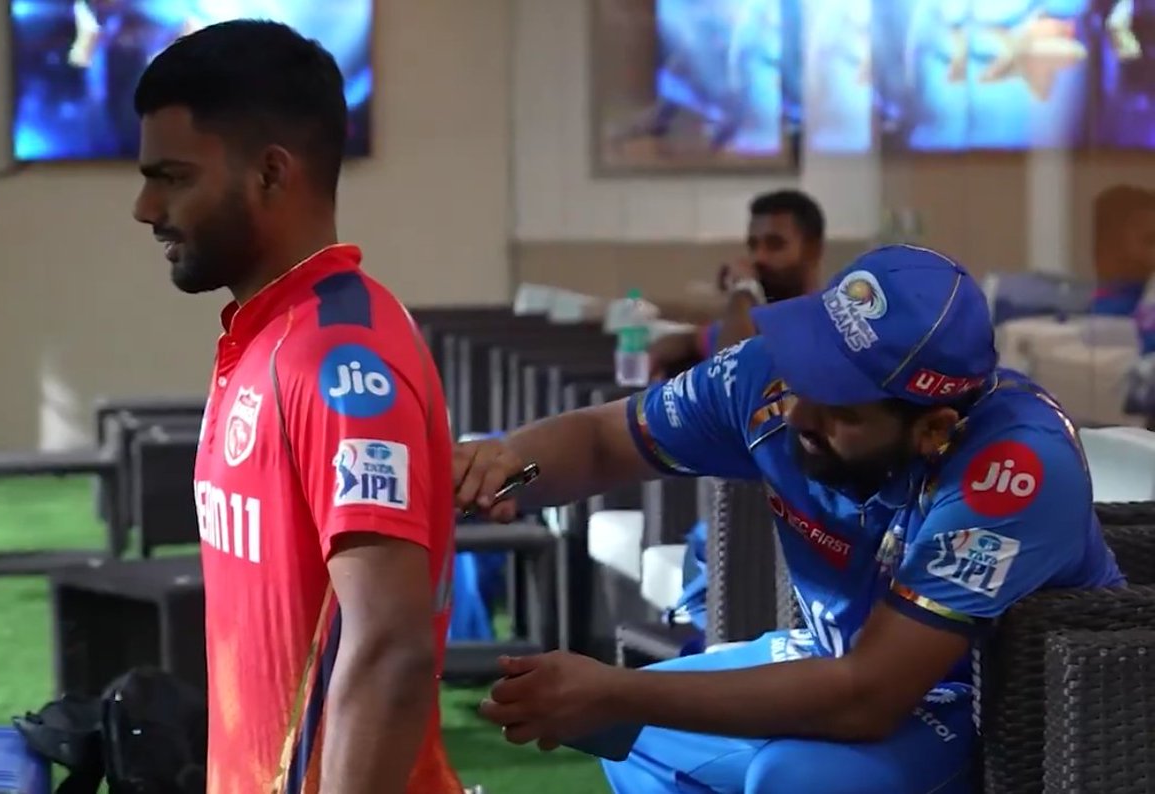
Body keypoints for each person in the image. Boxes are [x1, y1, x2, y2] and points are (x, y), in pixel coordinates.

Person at [455, 245, 1124, 793]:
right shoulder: (772, 382)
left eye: (841, 406)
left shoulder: (1014, 470)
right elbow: (605, 440)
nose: (798, 413)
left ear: (933, 429)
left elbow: (868, 695)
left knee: (796, 778)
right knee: (631, 735)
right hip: (840, 661)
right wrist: (507, 465)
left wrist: (618, 694)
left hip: (1000, 714)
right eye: (807, 374)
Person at [131, 20, 464, 794]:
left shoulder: (338, 358)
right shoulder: (264, 339)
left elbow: (390, 646)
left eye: (172, 176)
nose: (145, 207)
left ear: (272, 175)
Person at [648, 189, 825, 379]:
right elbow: (693, 340)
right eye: (753, 246)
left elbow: (731, 378)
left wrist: (743, 289)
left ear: (812, 251)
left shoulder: (822, 326)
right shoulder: (760, 319)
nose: (759, 257)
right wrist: (653, 359)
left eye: (775, 245)